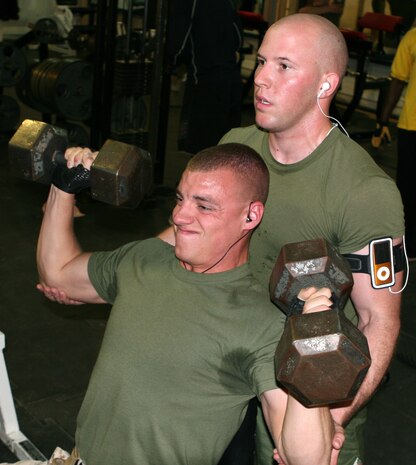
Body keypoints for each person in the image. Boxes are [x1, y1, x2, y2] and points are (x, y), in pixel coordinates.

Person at [157, 13, 405, 465]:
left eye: (284, 67)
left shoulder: (364, 191)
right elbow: (184, 236)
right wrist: (103, 273)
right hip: (228, 377)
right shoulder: (238, 147)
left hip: (310, 399)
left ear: (325, 85)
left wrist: (333, 422)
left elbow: (379, 322)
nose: (261, 79)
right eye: (262, 60)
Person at [29, 142, 343, 465]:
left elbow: (307, 459)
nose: (179, 216)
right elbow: (58, 274)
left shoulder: (261, 321)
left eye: (204, 206)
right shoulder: (145, 259)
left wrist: (313, 342)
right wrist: (63, 186)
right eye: (180, 199)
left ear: (251, 215)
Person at [167, 0, 243, 154]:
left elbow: (179, 42)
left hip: (203, 79)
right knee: (224, 143)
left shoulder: (189, 3)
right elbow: (238, 38)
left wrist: (171, 62)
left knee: (201, 145)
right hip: (229, 79)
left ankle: (201, 175)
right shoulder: (227, 3)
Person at [371, 26, 416, 259]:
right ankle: (408, 245)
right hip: (412, 124)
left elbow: (397, 81)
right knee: (408, 188)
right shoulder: (412, 38)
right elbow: (397, 80)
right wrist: (383, 121)